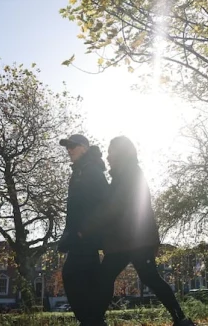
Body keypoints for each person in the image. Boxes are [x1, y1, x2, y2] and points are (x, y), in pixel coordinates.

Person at [82, 136, 194, 326]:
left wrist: (88, 227)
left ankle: (180, 319)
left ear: (120, 153)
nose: (108, 156)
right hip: (124, 240)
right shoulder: (122, 174)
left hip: (135, 239)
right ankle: (95, 321)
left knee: (143, 277)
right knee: (108, 277)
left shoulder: (130, 173)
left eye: (111, 152)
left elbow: (115, 206)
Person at [58, 134, 109, 325]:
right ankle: (93, 320)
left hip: (86, 238)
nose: (69, 150)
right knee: (88, 280)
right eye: (67, 147)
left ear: (85, 148)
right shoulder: (80, 171)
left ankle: (92, 320)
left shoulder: (92, 171)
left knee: (71, 275)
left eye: (73, 146)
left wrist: (83, 231)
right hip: (79, 238)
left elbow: (106, 204)